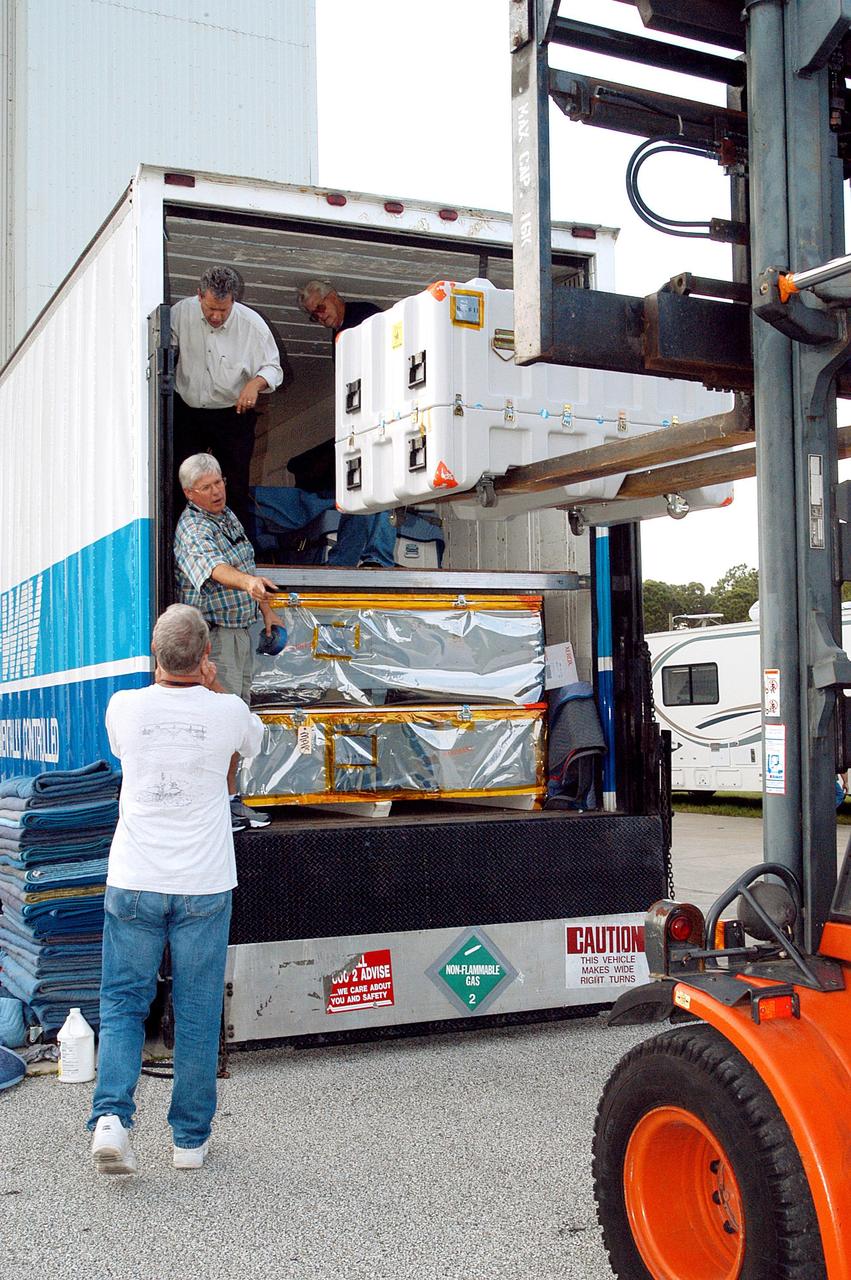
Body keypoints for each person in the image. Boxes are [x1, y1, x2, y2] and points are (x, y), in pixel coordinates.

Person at [88, 604, 264, 1175]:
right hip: (204, 883)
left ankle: (112, 1119)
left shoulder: (123, 707)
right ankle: (188, 1141)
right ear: (207, 658)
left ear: (156, 657)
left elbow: (126, 748)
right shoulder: (229, 710)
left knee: (121, 1003)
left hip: (135, 877)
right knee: (196, 1008)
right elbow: (254, 745)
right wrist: (213, 692)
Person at [173, 452, 278, 831]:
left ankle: (231, 800)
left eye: (219, 483)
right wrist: (248, 584)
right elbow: (217, 569)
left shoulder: (226, 515)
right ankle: (219, 806)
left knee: (235, 721)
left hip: (239, 634)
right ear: (189, 493)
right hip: (215, 638)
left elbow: (246, 567)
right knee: (220, 724)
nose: (217, 491)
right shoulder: (192, 529)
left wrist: (266, 610)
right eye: (207, 487)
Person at [285, 280, 396, 569]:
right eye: (314, 315)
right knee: (359, 489)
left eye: (320, 308)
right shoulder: (339, 332)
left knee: (382, 485)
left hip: (381, 415)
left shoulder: (365, 317)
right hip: (361, 420)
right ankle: (346, 559)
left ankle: (377, 556)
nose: (319, 316)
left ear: (333, 297)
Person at [171, 265, 284, 530]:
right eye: (210, 308)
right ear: (199, 295)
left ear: (234, 299)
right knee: (181, 481)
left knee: (233, 485)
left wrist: (255, 384)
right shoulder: (179, 313)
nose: (216, 316)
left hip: (232, 413)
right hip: (188, 410)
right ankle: (180, 545)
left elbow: (273, 368)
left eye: (223, 310)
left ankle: (236, 549)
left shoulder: (252, 324)